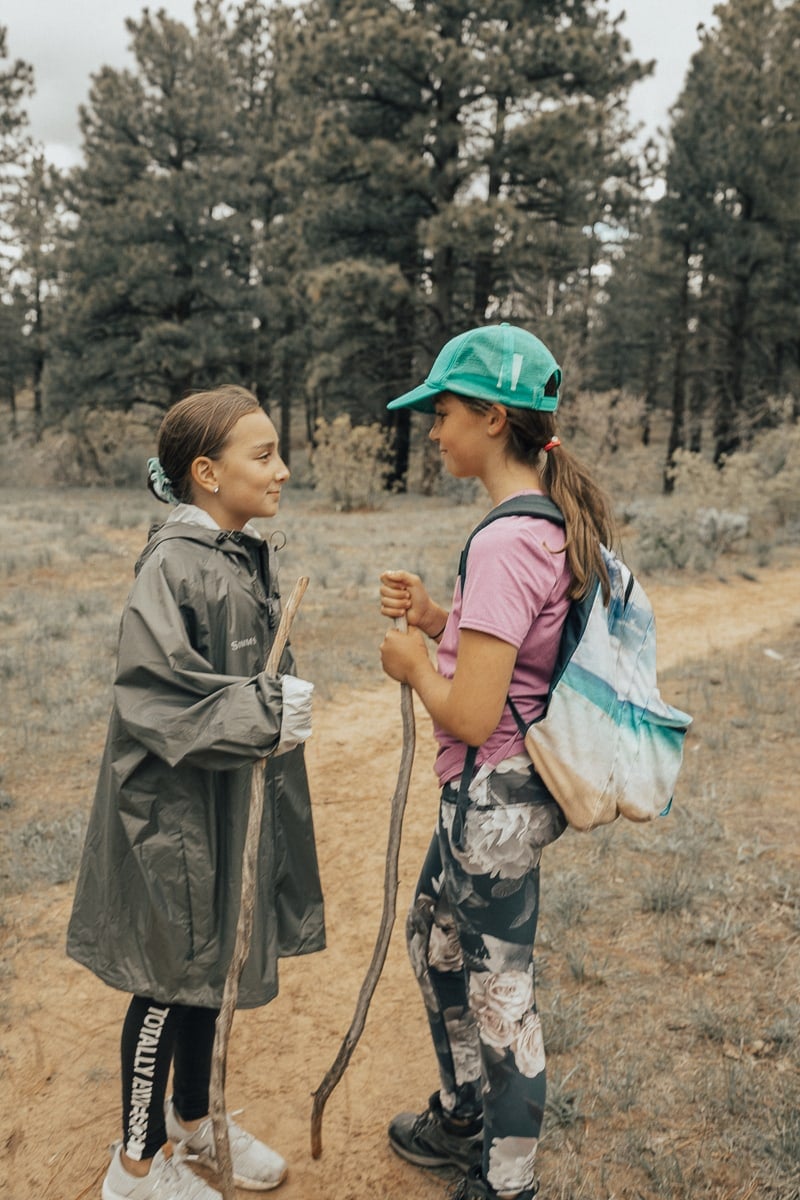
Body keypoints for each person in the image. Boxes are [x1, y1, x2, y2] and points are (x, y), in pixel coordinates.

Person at [67, 385, 325, 1200]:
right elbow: (155, 694)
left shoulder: (236, 554)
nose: (282, 470)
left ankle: (195, 1120)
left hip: (220, 802)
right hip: (169, 815)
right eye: (264, 455)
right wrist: (264, 710)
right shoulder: (175, 565)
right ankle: (135, 1168)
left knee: (211, 964)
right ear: (206, 473)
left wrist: (275, 704)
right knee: (165, 975)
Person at [378, 323, 616, 1200]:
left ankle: (506, 1181)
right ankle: (465, 1115)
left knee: (499, 991)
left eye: (442, 413)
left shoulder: (507, 539)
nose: (434, 430)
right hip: (493, 793)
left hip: (494, 800)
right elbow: (512, 657)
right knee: (435, 938)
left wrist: (410, 665)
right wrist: (443, 622)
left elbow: (475, 710)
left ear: (490, 416)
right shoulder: (534, 526)